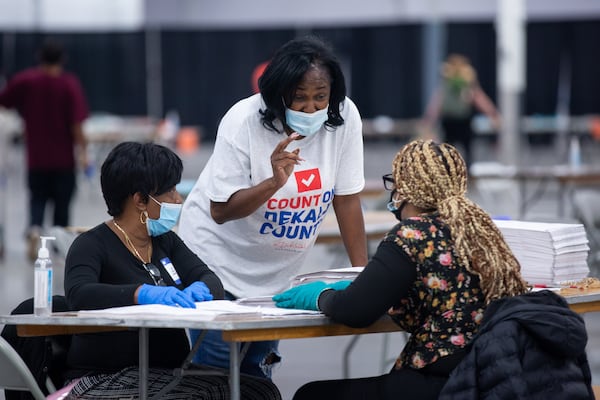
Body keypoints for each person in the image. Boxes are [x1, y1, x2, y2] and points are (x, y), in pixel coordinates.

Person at [273, 139, 529, 400]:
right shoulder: (479, 231)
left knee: (312, 395)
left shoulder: (412, 235)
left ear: (406, 189)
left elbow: (354, 311)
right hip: (497, 373)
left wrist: (320, 295)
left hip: (448, 384)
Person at [178, 35, 368, 379]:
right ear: (279, 94)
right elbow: (220, 211)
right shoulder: (243, 121)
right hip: (217, 262)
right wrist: (273, 183)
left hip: (275, 273)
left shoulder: (344, 118)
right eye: (299, 99)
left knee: (257, 374)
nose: (311, 109)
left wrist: (362, 277)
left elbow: (347, 198)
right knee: (217, 374)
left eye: (319, 98)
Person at [63, 142, 281, 400]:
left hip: (166, 373)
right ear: (140, 200)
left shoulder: (166, 241)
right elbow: (80, 294)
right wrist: (140, 295)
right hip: (103, 377)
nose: (178, 199)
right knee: (209, 394)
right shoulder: (91, 245)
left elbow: (209, 279)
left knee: (260, 390)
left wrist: (202, 289)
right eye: (170, 191)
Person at [0, 38, 89, 261]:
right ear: (63, 59)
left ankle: (34, 230)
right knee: (62, 206)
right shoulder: (69, 84)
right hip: (63, 159)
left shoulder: (26, 81)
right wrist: (84, 153)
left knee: (37, 199)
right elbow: (76, 125)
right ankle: (58, 246)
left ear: (39, 58)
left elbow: (4, 101)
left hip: (36, 158)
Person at [422, 54, 500, 167]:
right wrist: (492, 113)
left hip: (456, 121)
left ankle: (453, 171)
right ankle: (459, 171)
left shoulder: (457, 81)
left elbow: (437, 102)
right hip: (456, 121)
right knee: (457, 152)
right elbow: (479, 99)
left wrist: (428, 121)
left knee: (450, 153)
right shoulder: (456, 81)